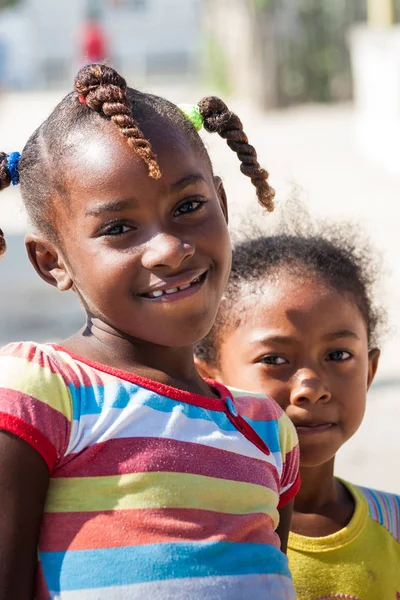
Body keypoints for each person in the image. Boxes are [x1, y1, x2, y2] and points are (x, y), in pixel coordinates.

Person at [0, 63, 299, 600]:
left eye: (188, 207)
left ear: (223, 206)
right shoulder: (41, 392)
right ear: (52, 262)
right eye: (118, 229)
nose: (169, 249)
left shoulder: (269, 431)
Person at [195, 212, 400, 600]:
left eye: (338, 355)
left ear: (370, 371)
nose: (310, 388)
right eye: (274, 360)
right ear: (210, 383)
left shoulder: (393, 524)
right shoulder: (198, 530)